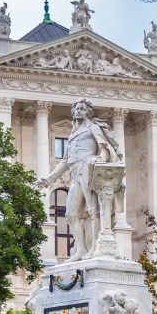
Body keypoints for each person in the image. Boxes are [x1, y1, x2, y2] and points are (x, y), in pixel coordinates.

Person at [34, 99, 121, 262]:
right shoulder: (73, 133)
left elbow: (104, 148)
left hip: (87, 168)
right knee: (71, 214)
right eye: (76, 109)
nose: (78, 111)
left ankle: (95, 249)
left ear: (88, 112)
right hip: (75, 174)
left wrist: (99, 159)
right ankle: (80, 249)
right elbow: (66, 160)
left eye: (82, 109)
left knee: (92, 211)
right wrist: (48, 180)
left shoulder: (93, 127)